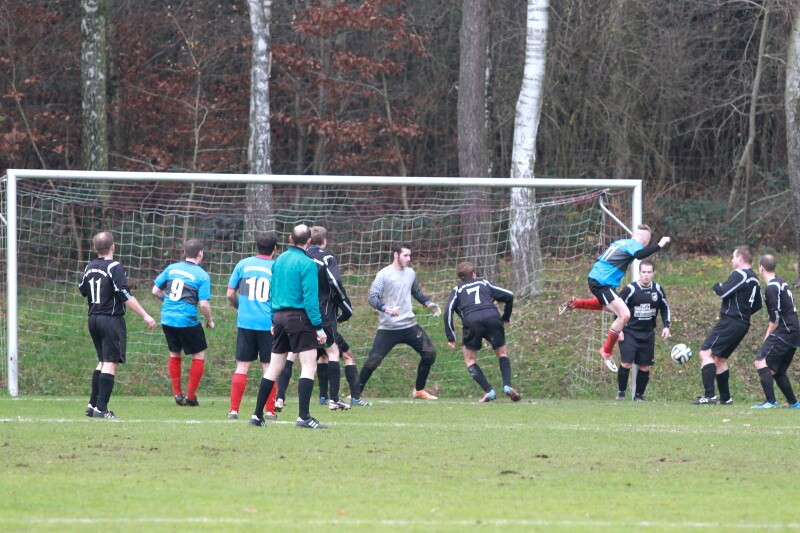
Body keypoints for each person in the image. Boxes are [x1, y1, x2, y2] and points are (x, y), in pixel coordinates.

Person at [559, 224, 670, 372]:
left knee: (612, 308)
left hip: (598, 279)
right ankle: (606, 351)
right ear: (646, 241)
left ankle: (577, 303)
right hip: (602, 282)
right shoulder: (634, 245)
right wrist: (659, 245)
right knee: (625, 315)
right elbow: (639, 255)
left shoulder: (621, 242)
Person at [249, 224, 328, 429]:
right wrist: (319, 327)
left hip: (279, 318)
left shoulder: (278, 261)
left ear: (290, 239)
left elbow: (272, 293)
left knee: (274, 367)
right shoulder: (308, 264)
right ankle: (303, 417)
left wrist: (273, 319)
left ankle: (257, 415)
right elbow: (310, 299)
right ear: (309, 241)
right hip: (299, 318)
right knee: (309, 366)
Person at [79, 231, 157, 419]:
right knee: (110, 362)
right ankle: (101, 409)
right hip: (110, 319)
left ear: (95, 248)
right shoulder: (115, 267)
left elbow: (83, 290)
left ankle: (92, 405)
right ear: (113, 246)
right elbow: (124, 294)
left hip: (93, 318)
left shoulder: (89, 267)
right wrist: (145, 315)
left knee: (102, 361)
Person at [359, 242, 441, 400]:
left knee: (429, 353)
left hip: (409, 325)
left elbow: (416, 292)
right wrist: (386, 309)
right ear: (396, 255)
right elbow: (373, 298)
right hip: (388, 327)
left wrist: (428, 303)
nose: (409, 259)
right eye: (405, 255)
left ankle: (419, 390)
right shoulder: (384, 274)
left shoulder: (410, 273)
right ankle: (356, 392)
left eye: (410, 255)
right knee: (373, 360)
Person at [691, 246, 762, 405]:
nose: (731, 260)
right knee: (720, 359)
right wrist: (744, 313)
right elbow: (758, 305)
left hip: (731, 320)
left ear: (740, 259)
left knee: (705, 353)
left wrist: (716, 286)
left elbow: (723, 292)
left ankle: (709, 396)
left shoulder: (740, 274)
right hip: (743, 323)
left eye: (733, 257)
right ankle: (726, 398)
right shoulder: (755, 278)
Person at [443, 261, 520, 403]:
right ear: (474, 274)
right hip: (492, 316)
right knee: (502, 353)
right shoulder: (483, 282)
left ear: (460, 277)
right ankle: (507, 385)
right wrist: (506, 317)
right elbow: (509, 295)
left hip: (472, 320)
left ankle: (489, 390)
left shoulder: (457, 289)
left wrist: (450, 335)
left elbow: (448, 310)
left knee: (470, 359)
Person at [152, 238, 214, 407]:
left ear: (184, 253)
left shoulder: (171, 268)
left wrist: (169, 300)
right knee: (199, 355)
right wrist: (210, 321)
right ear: (200, 254)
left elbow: (155, 291)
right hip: (187, 319)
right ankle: (191, 397)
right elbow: (203, 304)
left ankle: (178, 394)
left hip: (167, 318)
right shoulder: (202, 275)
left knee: (174, 353)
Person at [226, 232, 278, 420]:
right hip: (268, 324)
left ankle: (234, 410)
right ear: (275, 249)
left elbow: (230, 293)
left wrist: (240, 307)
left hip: (246, 322)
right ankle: (270, 411)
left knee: (242, 366)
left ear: (257, 246)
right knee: (269, 367)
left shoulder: (243, 264)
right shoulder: (276, 267)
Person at [305, 225, 352, 411]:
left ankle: (280, 398)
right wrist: (344, 304)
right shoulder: (326, 258)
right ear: (324, 241)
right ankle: (334, 399)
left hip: (300, 313)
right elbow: (335, 282)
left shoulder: (300, 257)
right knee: (332, 352)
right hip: (323, 313)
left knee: (294, 355)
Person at [614, 259, 671, 401]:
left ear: (653, 273)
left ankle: (639, 396)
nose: (646, 275)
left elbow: (665, 308)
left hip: (648, 333)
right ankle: (621, 393)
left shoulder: (657, 289)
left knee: (645, 366)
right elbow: (617, 309)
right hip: (629, 332)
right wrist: (618, 329)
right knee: (626, 363)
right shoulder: (630, 289)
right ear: (639, 273)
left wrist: (666, 326)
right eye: (644, 272)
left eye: (649, 272)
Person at [751, 255, 800, 409]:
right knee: (777, 369)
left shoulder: (772, 287)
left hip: (785, 330)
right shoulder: (781, 282)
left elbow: (775, 319)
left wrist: (767, 336)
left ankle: (771, 402)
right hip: (793, 330)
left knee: (760, 361)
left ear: (761, 268)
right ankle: (794, 403)